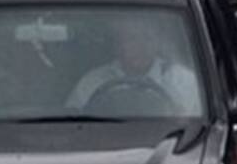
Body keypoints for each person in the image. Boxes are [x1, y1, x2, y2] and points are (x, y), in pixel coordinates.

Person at [66, 17, 202, 116]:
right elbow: (72, 125)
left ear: (157, 42)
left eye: (147, 38)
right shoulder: (92, 83)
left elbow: (197, 129)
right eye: (132, 39)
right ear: (117, 45)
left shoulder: (183, 81)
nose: (142, 46)